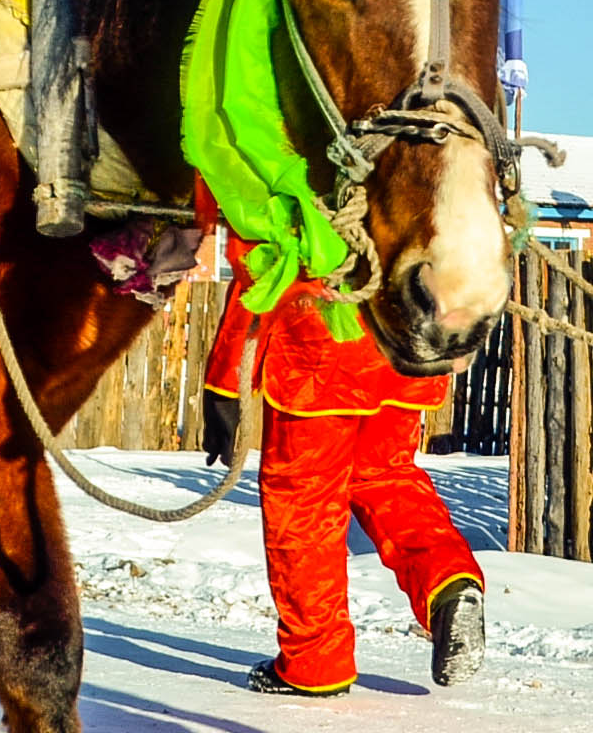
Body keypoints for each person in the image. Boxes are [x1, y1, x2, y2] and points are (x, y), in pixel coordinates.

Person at [206, 271, 487, 697]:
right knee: (388, 477)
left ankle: (314, 663)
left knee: (303, 502)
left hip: (316, 359)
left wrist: (223, 384)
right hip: (404, 350)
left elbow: (259, 272)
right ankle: (448, 584)